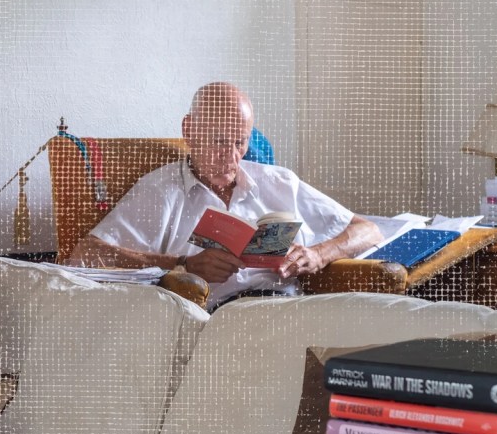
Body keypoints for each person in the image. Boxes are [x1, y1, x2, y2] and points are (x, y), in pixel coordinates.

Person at [67, 82, 382, 310]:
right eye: (219, 142)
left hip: (290, 307)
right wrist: (182, 264)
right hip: (219, 319)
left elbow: (368, 230)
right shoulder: (159, 190)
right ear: (189, 130)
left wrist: (319, 254)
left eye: (239, 142)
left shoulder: (279, 182)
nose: (231, 157)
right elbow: (85, 255)